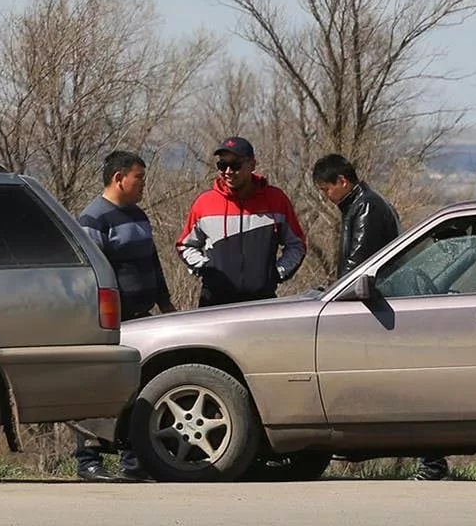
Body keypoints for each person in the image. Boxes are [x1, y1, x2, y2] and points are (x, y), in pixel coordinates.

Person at [311, 154, 445, 482]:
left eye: (326, 188)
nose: (325, 196)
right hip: (377, 305)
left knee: (402, 388)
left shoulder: (366, 208)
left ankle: (432, 461)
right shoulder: (360, 205)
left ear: (343, 181)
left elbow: (359, 263)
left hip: (376, 308)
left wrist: (337, 294)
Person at [72, 150, 174, 481]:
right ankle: (88, 459)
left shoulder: (139, 216)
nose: (144, 184)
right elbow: (90, 276)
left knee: (138, 388)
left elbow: (153, 264)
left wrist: (166, 304)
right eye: (139, 177)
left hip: (143, 320)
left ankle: (136, 460)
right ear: (119, 178)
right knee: (98, 388)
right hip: (112, 323)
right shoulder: (93, 220)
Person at [177, 137, 305, 308]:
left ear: (252, 165)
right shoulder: (204, 203)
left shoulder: (276, 200)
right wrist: (206, 269)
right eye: (222, 165)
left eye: (235, 165)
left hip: (262, 303)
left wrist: (276, 272)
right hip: (214, 303)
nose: (228, 171)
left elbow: (296, 245)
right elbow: (185, 245)